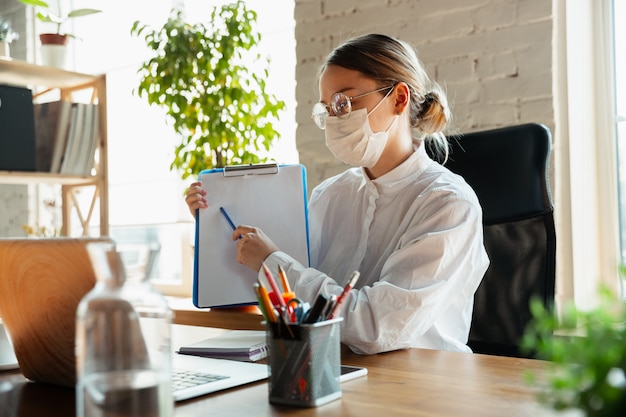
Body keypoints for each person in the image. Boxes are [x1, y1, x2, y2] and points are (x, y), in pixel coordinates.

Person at [185, 33, 489, 355]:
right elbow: (291, 303)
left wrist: (273, 262)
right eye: (327, 109)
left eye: (344, 103)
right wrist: (216, 227)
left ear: (399, 99)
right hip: (330, 370)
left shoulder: (448, 204)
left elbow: (376, 326)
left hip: (419, 387)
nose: (334, 119)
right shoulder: (330, 195)